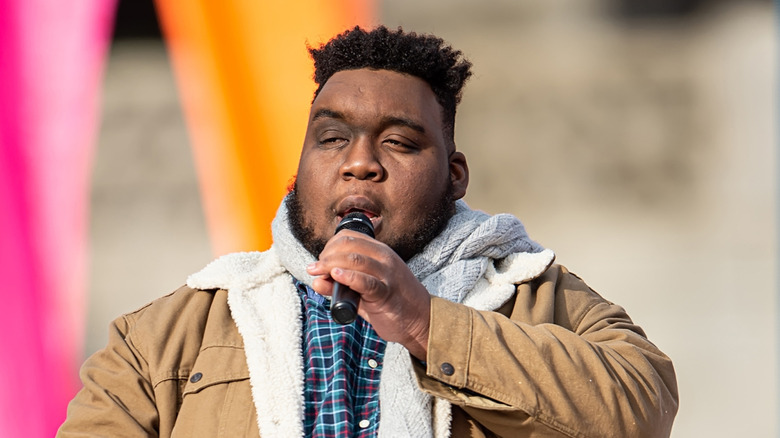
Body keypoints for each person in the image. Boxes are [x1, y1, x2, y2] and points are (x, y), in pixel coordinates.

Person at [59, 26, 678, 437]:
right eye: (331, 139)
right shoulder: (165, 337)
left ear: (455, 176)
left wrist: (422, 321)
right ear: (298, 173)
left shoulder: (534, 294)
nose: (360, 162)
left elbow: (641, 410)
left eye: (400, 143)